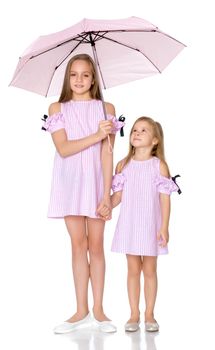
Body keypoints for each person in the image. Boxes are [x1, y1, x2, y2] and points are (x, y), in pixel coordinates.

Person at [42, 54, 124, 334]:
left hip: (96, 184)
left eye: (85, 75)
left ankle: (99, 309)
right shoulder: (57, 108)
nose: (79, 80)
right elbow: (63, 149)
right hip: (70, 183)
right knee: (78, 245)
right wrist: (97, 134)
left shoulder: (106, 108)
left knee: (96, 245)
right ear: (67, 78)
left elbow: (107, 154)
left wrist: (106, 194)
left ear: (93, 78)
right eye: (73, 75)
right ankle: (81, 309)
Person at [109, 116, 178, 332]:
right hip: (129, 224)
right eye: (134, 130)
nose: (136, 133)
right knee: (132, 270)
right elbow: (117, 196)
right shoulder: (122, 164)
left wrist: (164, 227)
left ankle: (149, 314)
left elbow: (165, 200)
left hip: (150, 225)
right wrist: (105, 205)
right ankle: (133, 314)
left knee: (149, 269)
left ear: (155, 140)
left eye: (143, 131)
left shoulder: (159, 166)